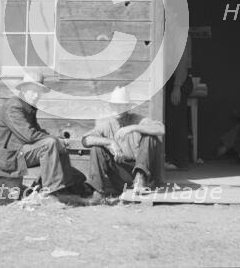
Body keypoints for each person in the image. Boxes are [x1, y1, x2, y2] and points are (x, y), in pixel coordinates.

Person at [0, 70, 85, 196]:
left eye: (39, 92)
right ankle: (52, 193)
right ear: (24, 90)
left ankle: (66, 187)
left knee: (59, 146)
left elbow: (36, 131)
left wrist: (58, 139)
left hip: (16, 153)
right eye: (33, 90)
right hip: (3, 159)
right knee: (50, 144)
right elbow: (29, 135)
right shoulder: (14, 107)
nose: (36, 95)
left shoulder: (28, 106)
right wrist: (54, 140)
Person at [82, 86, 164, 203]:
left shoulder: (137, 120)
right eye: (115, 105)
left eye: (122, 106)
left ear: (128, 107)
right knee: (96, 148)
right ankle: (97, 192)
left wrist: (133, 128)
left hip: (143, 173)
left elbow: (161, 129)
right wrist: (110, 142)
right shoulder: (107, 124)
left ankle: (140, 180)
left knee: (151, 137)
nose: (118, 109)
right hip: (120, 173)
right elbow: (85, 140)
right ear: (111, 107)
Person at [165, 32, 192, 169]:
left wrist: (177, 87)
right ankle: (172, 160)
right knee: (173, 121)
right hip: (173, 81)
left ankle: (178, 161)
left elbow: (182, 62)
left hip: (177, 82)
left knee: (176, 121)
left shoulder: (180, 34)